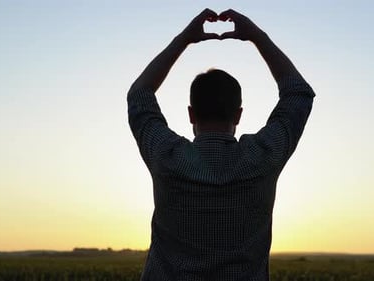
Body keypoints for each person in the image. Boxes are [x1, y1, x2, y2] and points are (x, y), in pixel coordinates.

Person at [127, 8, 315, 281]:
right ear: (239, 114)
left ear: (191, 114)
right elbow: (298, 93)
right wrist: (257, 37)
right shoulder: (263, 156)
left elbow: (139, 94)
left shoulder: (165, 155)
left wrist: (184, 39)